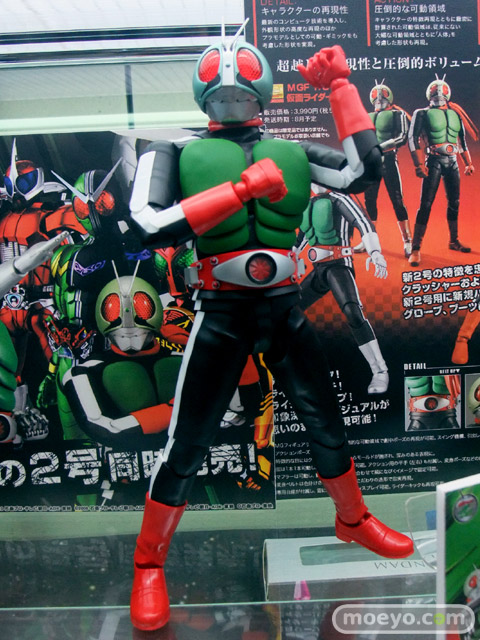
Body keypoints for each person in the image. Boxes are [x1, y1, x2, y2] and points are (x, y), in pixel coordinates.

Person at [128, 31, 414, 631]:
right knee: (189, 441)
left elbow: (364, 171)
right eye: (218, 72)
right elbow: (147, 224)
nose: (230, 81)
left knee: (325, 420)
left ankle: (353, 519)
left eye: (242, 71)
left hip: (284, 307)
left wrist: (342, 89)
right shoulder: (171, 152)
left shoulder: (290, 151)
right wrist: (238, 192)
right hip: (221, 312)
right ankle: (148, 563)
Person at [298, 189, 389, 394]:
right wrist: (289, 258)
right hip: (318, 270)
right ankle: (296, 366)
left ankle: (380, 370)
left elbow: (363, 223)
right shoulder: (309, 203)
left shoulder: (340, 199)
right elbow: (302, 238)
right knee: (290, 310)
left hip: (339, 266)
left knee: (353, 313)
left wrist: (375, 252)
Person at [408, 76, 478, 266]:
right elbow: (413, 138)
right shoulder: (422, 113)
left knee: (454, 202)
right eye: (435, 89)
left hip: (452, 161)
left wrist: (468, 163)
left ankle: (454, 241)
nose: (438, 92)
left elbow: (461, 141)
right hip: (434, 161)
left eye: (441, 89)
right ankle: (415, 248)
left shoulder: (455, 114)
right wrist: (418, 164)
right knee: (426, 204)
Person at [362, 81, 412, 257]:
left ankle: (407, 240)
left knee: (397, 200)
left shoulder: (398, 114)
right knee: (369, 200)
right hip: (371, 163)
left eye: (382, 94)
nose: (379, 98)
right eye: (376, 95)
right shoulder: (366, 116)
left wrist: (381, 147)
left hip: (389, 160)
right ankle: (369, 240)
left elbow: (403, 137)